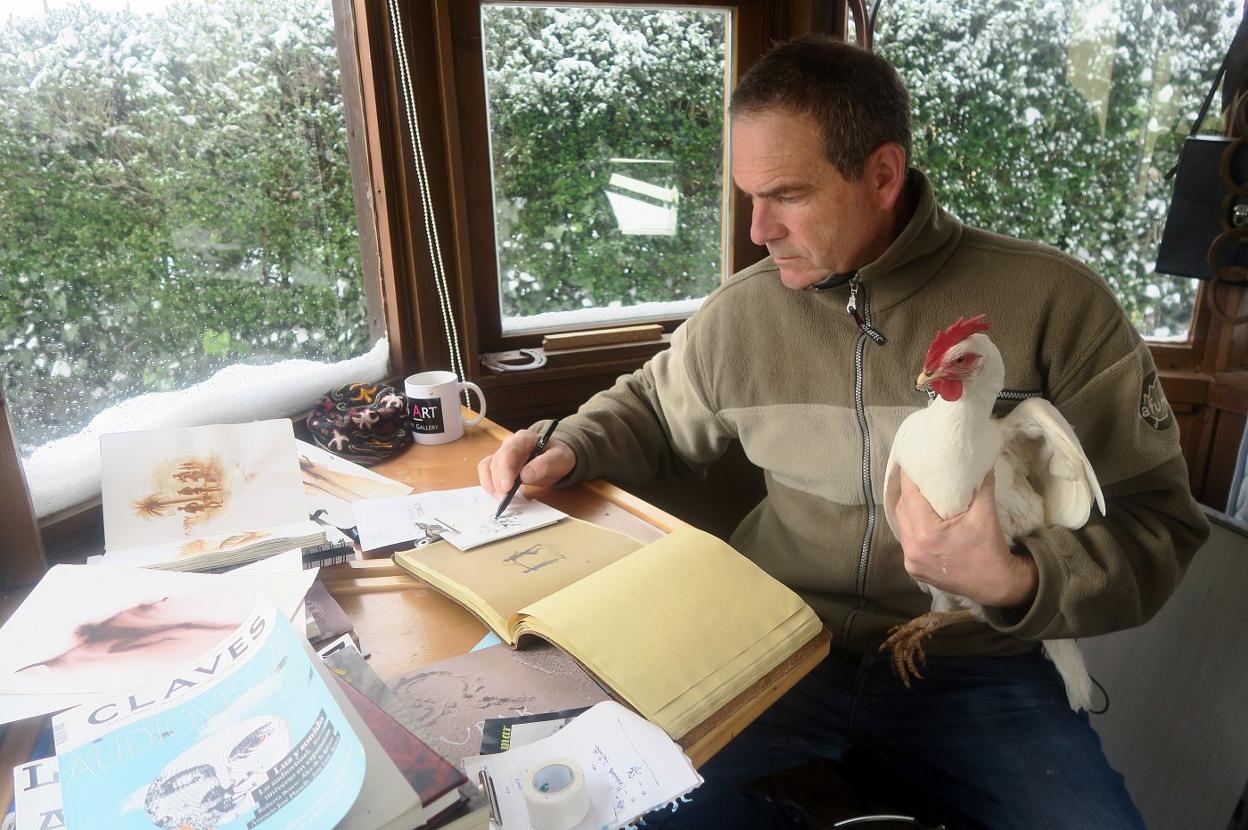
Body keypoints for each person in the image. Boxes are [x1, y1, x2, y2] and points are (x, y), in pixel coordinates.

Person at [477, 34, 1209, 829]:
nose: (757, 229)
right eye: (747, 195)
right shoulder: (745, 314)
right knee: (613, 810)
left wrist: (1017, 580)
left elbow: (1160, 527)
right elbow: (651, 409)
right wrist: (568, 444)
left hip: (977, 668)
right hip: (774, 648)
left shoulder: (1057, 305)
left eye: (786, 194)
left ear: (883, 175)